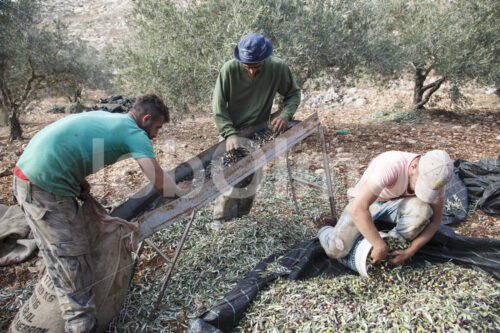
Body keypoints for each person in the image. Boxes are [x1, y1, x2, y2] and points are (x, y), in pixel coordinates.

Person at [12, 94, 190, 333]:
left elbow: (73, 144)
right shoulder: (135, 134)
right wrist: (180, 191)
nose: (156, 134)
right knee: (72, 260)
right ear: (146, 119)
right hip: (45, 186)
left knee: (58, 251)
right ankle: (81, 325)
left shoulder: (109, 118)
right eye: (157, 127)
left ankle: (60, 302)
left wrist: (77, 182)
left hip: (29, 173)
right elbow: (160, 184)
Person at [212, 32, 301, 222]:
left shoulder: (277, 68)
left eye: (257, 67)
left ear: (266, 59)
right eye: (247, 67)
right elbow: (218, 108)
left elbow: (293, 94)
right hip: (232, 133)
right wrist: (229, 134)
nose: (252, 72)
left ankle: (241, 222)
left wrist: (285, 115)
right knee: (229, 178)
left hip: (258, 133)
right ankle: (220, 223)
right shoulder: (229, 70)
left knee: (251, 179)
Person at [318, 150, 453, 265]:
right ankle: (326, 228)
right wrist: (377, 244)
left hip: (396, 204)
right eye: (420, 183)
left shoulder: (436, 178)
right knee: (335, 250)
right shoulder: (391, 165)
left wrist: (410, 251)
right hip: (369, 203)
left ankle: (390, 249)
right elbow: (358, 208)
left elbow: (436, 222)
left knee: (423, 211)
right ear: (413, 167)